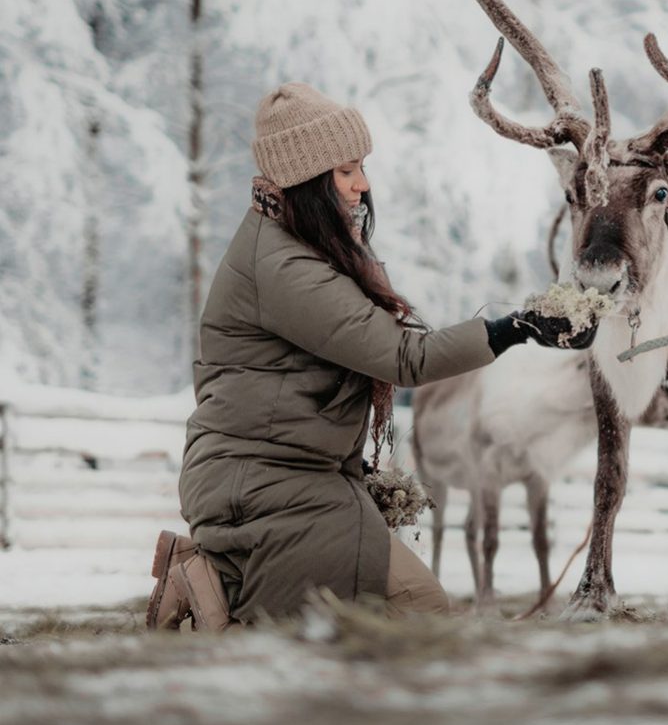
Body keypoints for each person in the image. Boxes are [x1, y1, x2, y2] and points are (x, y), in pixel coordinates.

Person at [147, 82, 586, 630]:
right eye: (347, 171)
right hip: (263, 485)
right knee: (401, 615)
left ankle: (216, 580)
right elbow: (404, 358)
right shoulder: (285, 268)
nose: (362, 185)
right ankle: (213, 585)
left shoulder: (294, 242)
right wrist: (513, 328)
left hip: (285, 478)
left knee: (376, 620)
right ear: (307, 178)